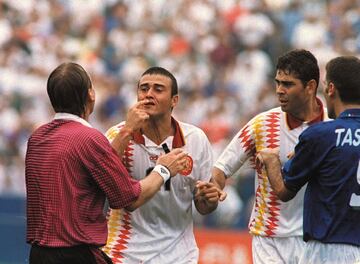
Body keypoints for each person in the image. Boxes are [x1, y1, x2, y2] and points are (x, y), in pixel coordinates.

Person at [25, 62, 188, 264]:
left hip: (38, 254)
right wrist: (163, 169)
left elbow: (93, 166)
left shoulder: (37, 138)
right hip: (77, 255)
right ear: (91, 94)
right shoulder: (89, 138)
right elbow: (128, 197)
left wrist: (127, 130)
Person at [211, 49, 329, 263]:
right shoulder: (262, 124)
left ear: (310, 86)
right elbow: (221, 168)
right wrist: (214, 188)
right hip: (269, 238)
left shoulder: (331, 128)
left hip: (315, 238)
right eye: (277, 83)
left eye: (288, 84)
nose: (279, 91)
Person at [102, 66, 224, 264]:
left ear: (174, 100)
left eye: (158, 89)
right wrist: (128, 130)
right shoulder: (118, 136)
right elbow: (107, 183)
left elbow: (203, 206)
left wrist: (209, 199)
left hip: (180, 255)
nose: (149, 94)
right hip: (125, 253)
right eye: (144, 89)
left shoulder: (196, 139)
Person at [258, 56, 360, 263]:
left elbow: (284, 191)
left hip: (327, 249)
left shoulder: (321, 135)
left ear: (331, 89)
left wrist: (271, 161)